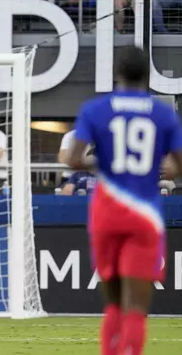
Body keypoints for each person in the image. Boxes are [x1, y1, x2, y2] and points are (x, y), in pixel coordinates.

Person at [67, 46, 182, 355]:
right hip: (144, 213)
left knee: (114, 304)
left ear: (117, 74)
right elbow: (179, 164)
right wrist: (161, 168)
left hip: (106, 211)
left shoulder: (95, 109)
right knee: (136, 307)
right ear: (147, 77)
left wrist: (105, 163)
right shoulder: (163, 114)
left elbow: (73, 160)